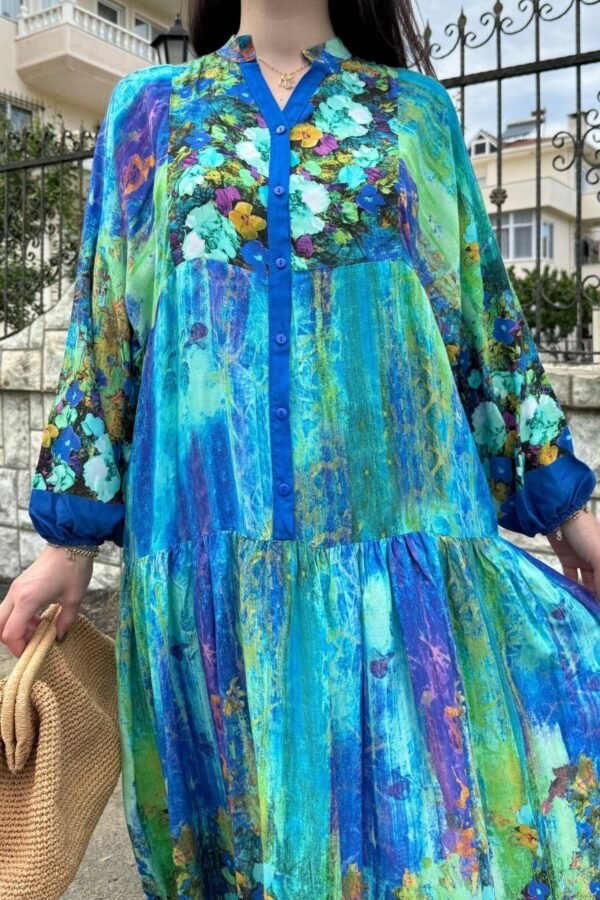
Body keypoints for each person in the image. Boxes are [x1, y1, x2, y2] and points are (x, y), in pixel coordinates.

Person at [2, 0, 600, 895]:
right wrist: (68, 540)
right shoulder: (150, 111)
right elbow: (108, 328)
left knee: (419, 853)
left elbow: (480, 323)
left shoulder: (413, 114)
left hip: (396, 568)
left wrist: (566, 510)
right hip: (206, 571)